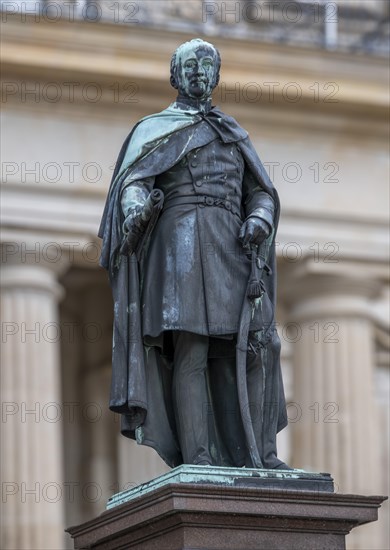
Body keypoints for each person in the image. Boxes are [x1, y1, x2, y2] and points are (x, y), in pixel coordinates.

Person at [99, 38, 290, 469]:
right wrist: (135, 210)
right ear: (175, 76)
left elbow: (259, 193)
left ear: (217, 76)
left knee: (257, 346)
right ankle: (199, 458)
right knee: (192, 349)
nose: (200, 71)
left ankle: (256, 453)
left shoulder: (233, 132)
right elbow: (133, 184)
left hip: (231, 247)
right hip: (179, 245)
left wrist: (260, 218)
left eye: (207, 65)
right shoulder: (153, 129)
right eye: (190, 65)